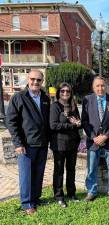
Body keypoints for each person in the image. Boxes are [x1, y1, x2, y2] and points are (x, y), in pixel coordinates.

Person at [6, 70, 50, 215]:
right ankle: (26, 203)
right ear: (27, 79)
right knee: (26, 175)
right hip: (26, 145)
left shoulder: (45, 98)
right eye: (32, 79)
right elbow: (11, 122)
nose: (35, 82)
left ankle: (35, 199)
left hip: (42, 144)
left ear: (42, 82)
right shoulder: (19, 97)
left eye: (38, 80)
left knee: (38, 174)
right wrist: (18, 144)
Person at [81, 76, 109, 203]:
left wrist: (105, 136)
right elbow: (85, 121)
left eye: (102, 85)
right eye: (97, 86)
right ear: (93, 88)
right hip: (93, 142)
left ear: (106, 87)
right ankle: (91, 191)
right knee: (92, 168)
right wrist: (94, 137)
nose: (100, 88)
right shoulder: (87, 100)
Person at [49, 82, 81, 208]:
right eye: (62, 91)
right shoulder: (55, 106)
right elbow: (53, 125)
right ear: (59, 92)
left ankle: (71, 193)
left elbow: (79, 123)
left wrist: (78, 122)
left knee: (71, 169)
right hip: (59, 143)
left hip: (73, 143)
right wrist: (71, 125)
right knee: (59, 171)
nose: (65, 93)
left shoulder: (73, 106)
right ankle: (59, 196)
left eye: (67, 91)